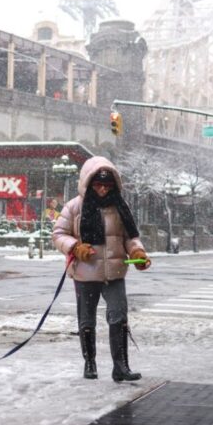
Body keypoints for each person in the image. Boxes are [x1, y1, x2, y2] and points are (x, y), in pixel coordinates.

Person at [52, 156, 149, 382]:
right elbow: (58, 234)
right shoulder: (74, 206)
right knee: (87, 320)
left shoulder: (120, 207)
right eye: (98, 184)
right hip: (85, 273)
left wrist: (137, 252)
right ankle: (90, 363)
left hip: (115, 272)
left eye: (107, 185)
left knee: (119, 317)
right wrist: (76, 247)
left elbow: (130, 237)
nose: (103, 189)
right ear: (88, 183)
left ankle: (121, 366)